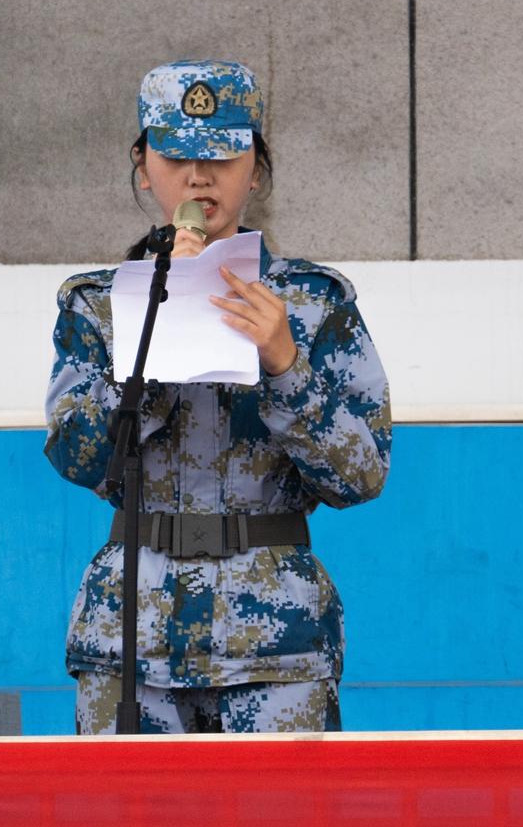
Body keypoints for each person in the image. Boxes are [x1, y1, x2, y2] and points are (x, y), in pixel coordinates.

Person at [44, 59, 391, 734]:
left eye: (222, 158)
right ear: (144, 168)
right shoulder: (101, 305)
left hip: (273, 646)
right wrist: (152, 340)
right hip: (131, 641)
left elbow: (362, 475)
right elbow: (77, 458)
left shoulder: (313, 304)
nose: (199, 177)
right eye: (176, 157)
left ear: (254, 170)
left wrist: (286, 364)